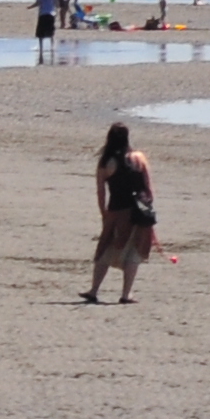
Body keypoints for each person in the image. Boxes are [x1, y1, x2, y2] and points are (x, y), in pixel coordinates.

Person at [87, 121, 154, 303]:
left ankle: (94, 290)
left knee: (105, 249)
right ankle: (126, 294)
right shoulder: (139, 157)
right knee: (134, 252)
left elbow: (101, 191)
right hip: (140, 210)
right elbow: (148, 188)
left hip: (117, 210)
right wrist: (148, 209)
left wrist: (104, 213)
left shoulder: (106, 162)